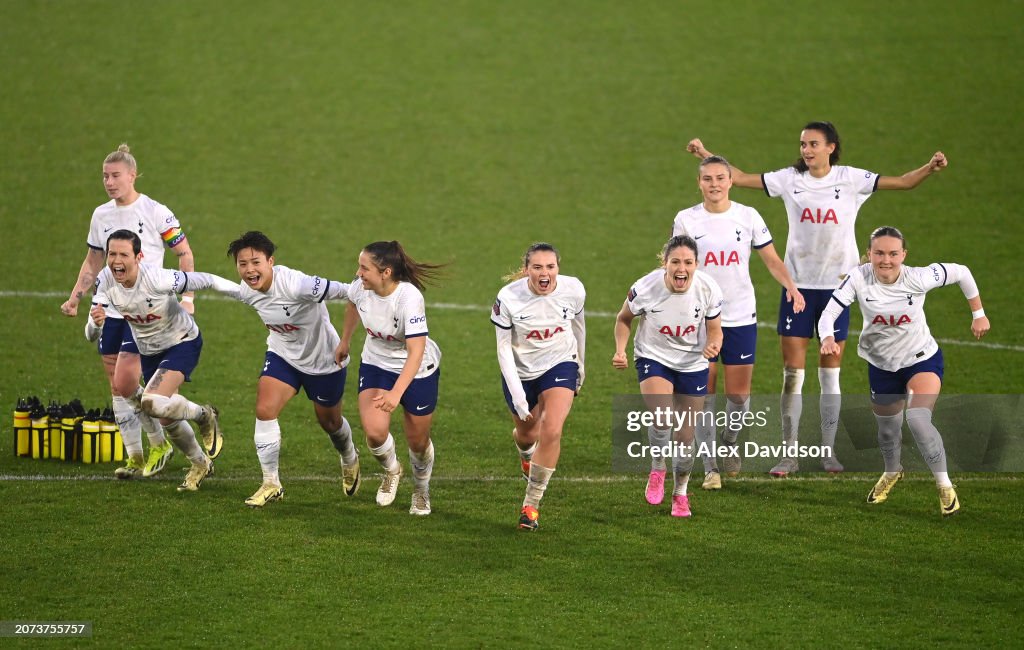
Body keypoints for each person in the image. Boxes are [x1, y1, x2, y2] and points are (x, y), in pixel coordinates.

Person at [688, 123, 948, 476]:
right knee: (792, 375)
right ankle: (789, 455)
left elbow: (902, 182)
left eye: (813, 144)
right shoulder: (789, 179)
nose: (806, 149)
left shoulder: (851, 179)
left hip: (838, 289)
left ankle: (827, 453)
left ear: (831, 147)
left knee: (830, 375)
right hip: (797, 287)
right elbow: (741, 178)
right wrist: (708, 157)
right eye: (803, 144)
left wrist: (928, 169)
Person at [818, 226, 989, 516]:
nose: (886, 260)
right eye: (880, 253)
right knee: (887, 432)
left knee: (918, 419)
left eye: (893, 254)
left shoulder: (918, 277)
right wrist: (828, 338)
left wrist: (979, 314)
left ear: (904, 255)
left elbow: (961, 271)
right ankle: (892, 471)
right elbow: (828, 314)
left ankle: (944, 485)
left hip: (921, 358)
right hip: (882, 366)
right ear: (869, 254)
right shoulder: (858, 278)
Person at [61, 143, 205, 480]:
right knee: (117, 384)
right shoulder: (101, 215)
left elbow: (185, 254)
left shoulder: (156, 211)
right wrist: (76, 297)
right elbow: (94, 260)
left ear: (132, 175)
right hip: (111, 304)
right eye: (104, 176)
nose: (109, 182)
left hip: (146, 309)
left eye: (115, 176)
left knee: (128, 380)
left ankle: (162, 442)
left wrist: (188, 299)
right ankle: (138, 455)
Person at [198, 232, 361, 507]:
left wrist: (346, 338)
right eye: (242, 263)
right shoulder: (248, 290)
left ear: (270, 261)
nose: (249, 270)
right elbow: (215, 282)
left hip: (323, 361)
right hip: (283, 356)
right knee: (265, 409)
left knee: (330, 423)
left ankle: (349, 456)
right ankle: (271, 482)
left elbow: (350, 292)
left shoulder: (299, 285)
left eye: (255, 262)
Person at [673, 156, 805, 488]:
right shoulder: (687, 219)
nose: (714, 184)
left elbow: (772, 259)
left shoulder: (747, 216)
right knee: (705, 392)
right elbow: (678, 265)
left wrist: (791, 286)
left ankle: (729, 441)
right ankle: (711, 466)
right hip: (700, 316)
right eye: (707, 178)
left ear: (731, 181)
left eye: (720, 178)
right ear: (699, 182)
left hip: (741, 314)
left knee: (738, 395)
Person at [88, 230, 225, 492]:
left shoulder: (154, 215)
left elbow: (188, 259)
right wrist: (91, 319)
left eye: (123, 254)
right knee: (151, 404)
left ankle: (199, 421)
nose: (116, 259)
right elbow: (90, 331)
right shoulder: (105, 266)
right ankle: (195, 460)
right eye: (112, 254)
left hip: (169, 329)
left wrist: (190, 299)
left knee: (154, 403)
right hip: (139, 332)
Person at [613, 235, 723, 518]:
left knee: (686, 434)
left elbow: (715, 329)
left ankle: (680, 494)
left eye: (688, 262)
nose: (681, 268)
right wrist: (620, 350)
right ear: (665, 264)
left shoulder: (709, 289)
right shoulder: (645, 288)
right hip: (654, 357)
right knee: (662, 415)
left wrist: (714, 343)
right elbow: (624, 318)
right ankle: (658, 467)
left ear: (697, 265)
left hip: (692, 363)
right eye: (675, 261)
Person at [335, 241, 443, 516]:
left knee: (418, 442)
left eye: (364, 268)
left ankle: (421, 490)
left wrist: (396, 393)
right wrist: (345, 340)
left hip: (418, 370)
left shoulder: (409, 298)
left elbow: (416, 350)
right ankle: (391, 470)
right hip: (376, 363)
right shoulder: (361, 287)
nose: (358, 273)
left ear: (386, 272)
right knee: (374, 432)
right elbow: (351, 304)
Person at [492, 243, 586, 531]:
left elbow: (579, 326)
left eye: (550, 266)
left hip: (560, 363)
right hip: (521, 371)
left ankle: (530, 505)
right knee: (526, 433)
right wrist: (518, 396)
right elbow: (503, 348)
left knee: (552, 428)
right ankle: (526, 456)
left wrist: (581, 365)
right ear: (526, 270)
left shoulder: (573, 290)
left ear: (558, 267)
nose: (545, 273)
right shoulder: (508, 298)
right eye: (537, 267)